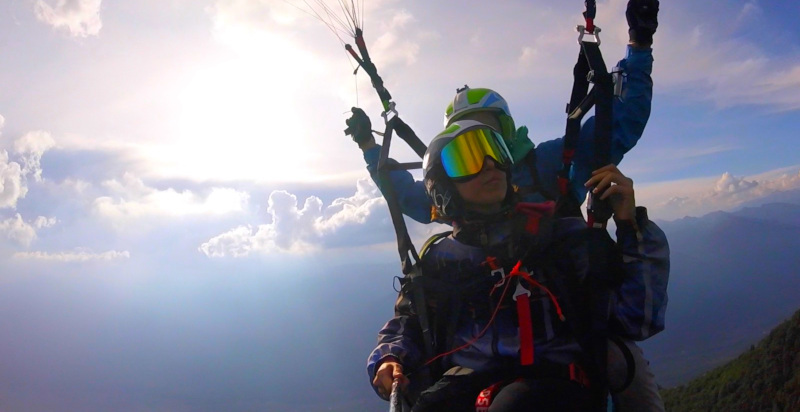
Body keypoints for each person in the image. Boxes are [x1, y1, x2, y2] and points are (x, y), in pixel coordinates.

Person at [366, 120, 669, 411]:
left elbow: (637, 318)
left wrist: (631, 226)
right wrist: (389, 357)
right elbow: (410, 323)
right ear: (441, 185)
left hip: (553, 385)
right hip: (467, 388)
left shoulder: (560, 238)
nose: (489, 164)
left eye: (495, 151)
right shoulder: (438, 262)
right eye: (467, 158)